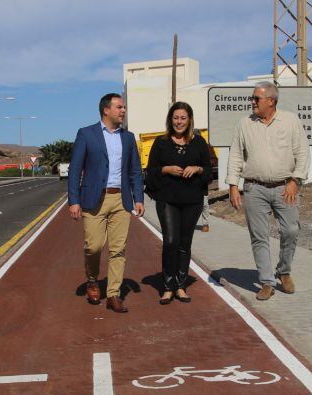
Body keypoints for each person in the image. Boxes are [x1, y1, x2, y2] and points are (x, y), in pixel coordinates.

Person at [226, 81, 310, 300]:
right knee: (259, 236)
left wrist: (295, 181)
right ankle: (266, 281)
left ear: (271, 101)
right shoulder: (244, 124)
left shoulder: (290, 121)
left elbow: (302, 153)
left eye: (256, 99)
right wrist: (233, 185)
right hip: (255, 188)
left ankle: (284, 271)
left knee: (290, 230)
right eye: (252, 98)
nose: (252, 102)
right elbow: (235, 155)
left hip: (286, 187)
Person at [68, 93, 145, 313]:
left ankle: (113, 294)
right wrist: (74, 200)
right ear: (106, 110)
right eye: (119, 107)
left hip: (121, 199)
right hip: (93, 199)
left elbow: (135, 171)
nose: (123, 111)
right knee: (94, 246)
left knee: (118, 249)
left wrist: (138, 197)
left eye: (124, 107)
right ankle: (92, 279)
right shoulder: (86, 134)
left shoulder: (128, 138)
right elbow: (75, 170)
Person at [146, 102, 212, 304]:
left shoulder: (199, 143)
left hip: (192, 200)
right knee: (171, 241)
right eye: (176, 118)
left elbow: (209, 171)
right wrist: (166, 170)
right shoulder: (160, 142)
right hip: (168, 199)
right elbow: (150, 173)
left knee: (185, 243)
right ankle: (168, 286)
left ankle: (181, 286)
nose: (179, 122)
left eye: (183, 118)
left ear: (190, 120)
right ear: (170, 119)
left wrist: (198, 169)